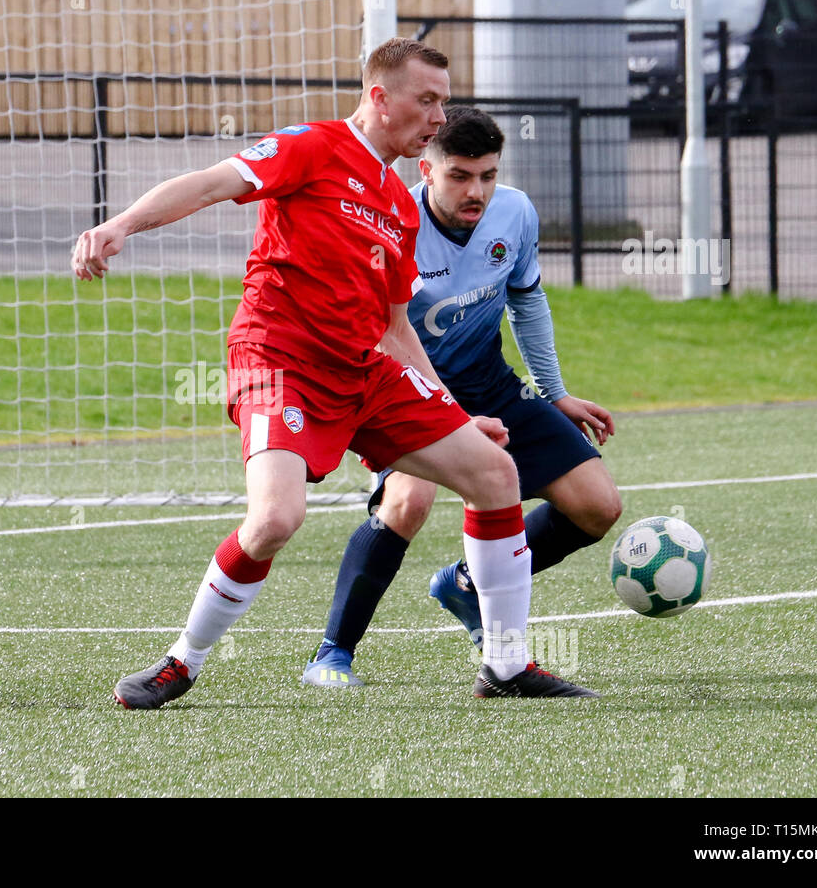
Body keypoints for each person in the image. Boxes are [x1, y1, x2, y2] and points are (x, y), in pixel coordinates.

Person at [72, 39, 598, 708]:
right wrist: (120, 226)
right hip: (279, 359)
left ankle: (505, 664)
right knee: (275, 519)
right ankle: (182, 662)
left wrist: (452, 412)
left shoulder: (400, 203)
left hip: (364, 369)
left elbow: (398, 329)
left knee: (494, 475)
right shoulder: (311, 147)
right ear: (380, 98)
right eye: (427, 99)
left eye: (443, 100)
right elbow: (211, 182)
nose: (439, 118)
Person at [301, 106, 622, 688]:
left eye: (488, 175)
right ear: (425, 170)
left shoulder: (516, 212)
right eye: (460, 176)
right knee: (409, 502)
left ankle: (466, 584)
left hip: (489, 382)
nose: (476, 191)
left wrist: (555, 395)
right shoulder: (386, 220)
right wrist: (446, 413)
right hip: (398, 388)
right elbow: (377, 331)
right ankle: (332, 653)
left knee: (597, 506)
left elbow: (527, 301)